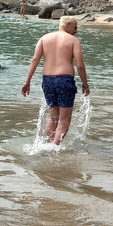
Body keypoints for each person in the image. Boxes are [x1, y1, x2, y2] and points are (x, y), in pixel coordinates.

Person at [21, 16, 89, 146]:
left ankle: (47, 145)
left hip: (47, 80)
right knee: (64, 121)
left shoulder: (44, 38)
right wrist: (85, 85)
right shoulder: (74, 41)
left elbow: (34, 60)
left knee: (53, 118)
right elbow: (80, 65)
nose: (76, 31)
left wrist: (27, 82)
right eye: (75, 28)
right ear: (68, 24)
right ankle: (54, 148)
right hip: (65, 80)